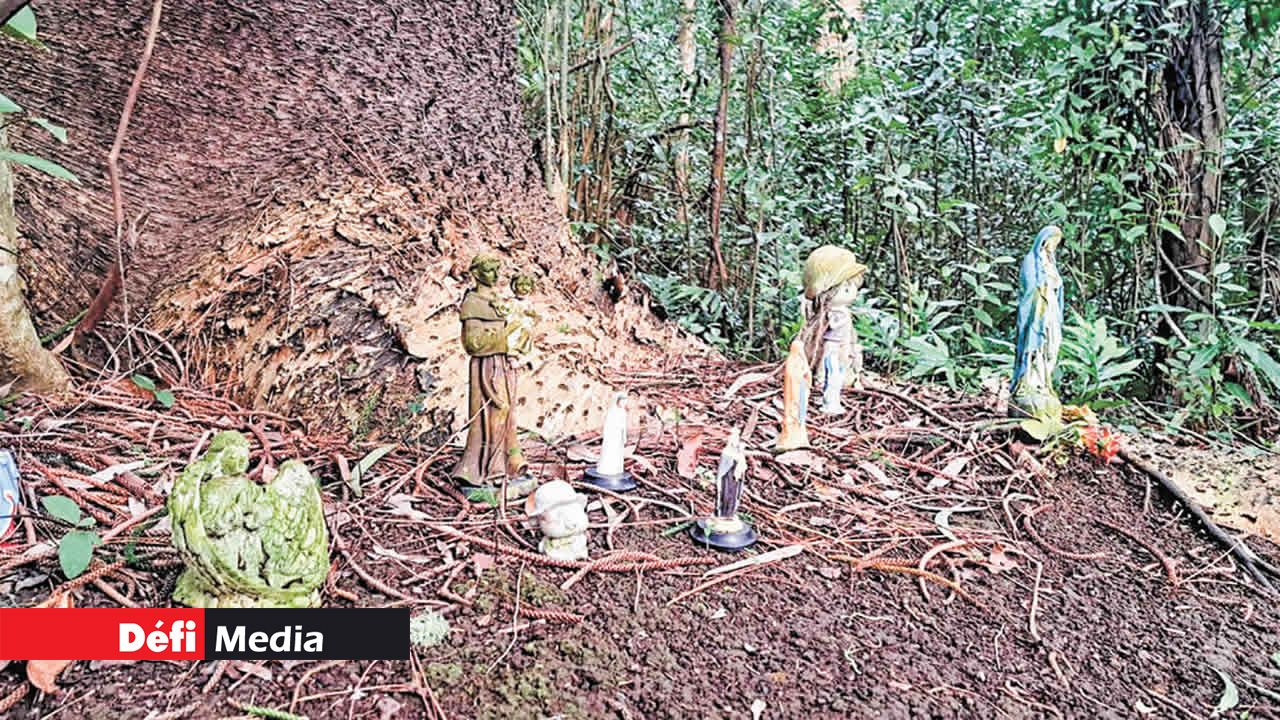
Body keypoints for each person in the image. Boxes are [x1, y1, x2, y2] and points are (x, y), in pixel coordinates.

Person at [449, 255, 535, 497]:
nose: (495, 275)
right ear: (476, 273)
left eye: (497, 270)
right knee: (494, 413)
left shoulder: (499, 299)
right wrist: (506, 338)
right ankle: (487, 470)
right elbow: (473, 343)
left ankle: (509, 466)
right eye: (488, 270)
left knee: (508, 414)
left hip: (505, 365)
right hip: (487, 366)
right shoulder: (473, 303)